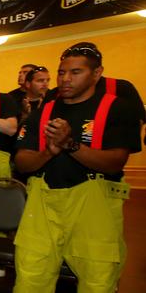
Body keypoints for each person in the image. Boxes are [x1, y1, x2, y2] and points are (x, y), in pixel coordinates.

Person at [13, 44, 141, 292]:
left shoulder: (116, 108)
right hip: (43, 202)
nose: (66, 79)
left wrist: (70, 145)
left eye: (75, 72)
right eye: (61, 73)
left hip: (94, 206)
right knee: (31, 276)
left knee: (97, 280)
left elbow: (116, 161)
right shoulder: (44, 111)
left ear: (96, 73)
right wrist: (48, 152)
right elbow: (22, 161)